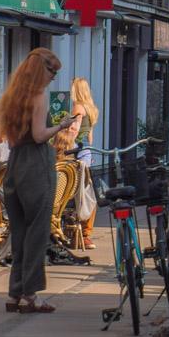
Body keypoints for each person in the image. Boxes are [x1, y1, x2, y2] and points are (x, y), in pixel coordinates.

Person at [0, 48, 71, 314]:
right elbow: (39, 135)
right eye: (53, 72)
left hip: (15, 164)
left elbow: (13, 138)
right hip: (36, 165)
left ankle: (14, 293)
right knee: (37, 231)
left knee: (20, 231)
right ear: (42, 70)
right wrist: (61, 126)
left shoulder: (13, 97)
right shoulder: (39, 97)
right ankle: (31, 294)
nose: (54, 77)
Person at [68, 77, 100, 248]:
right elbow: (90, 136)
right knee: (86, 191)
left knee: (77, 192)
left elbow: (75, 129)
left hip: (78, 150)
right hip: (87, 150)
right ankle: (85, 232)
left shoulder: (78, 107)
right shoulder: (91, 108)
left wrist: (65, 137)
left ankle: (83, 233)